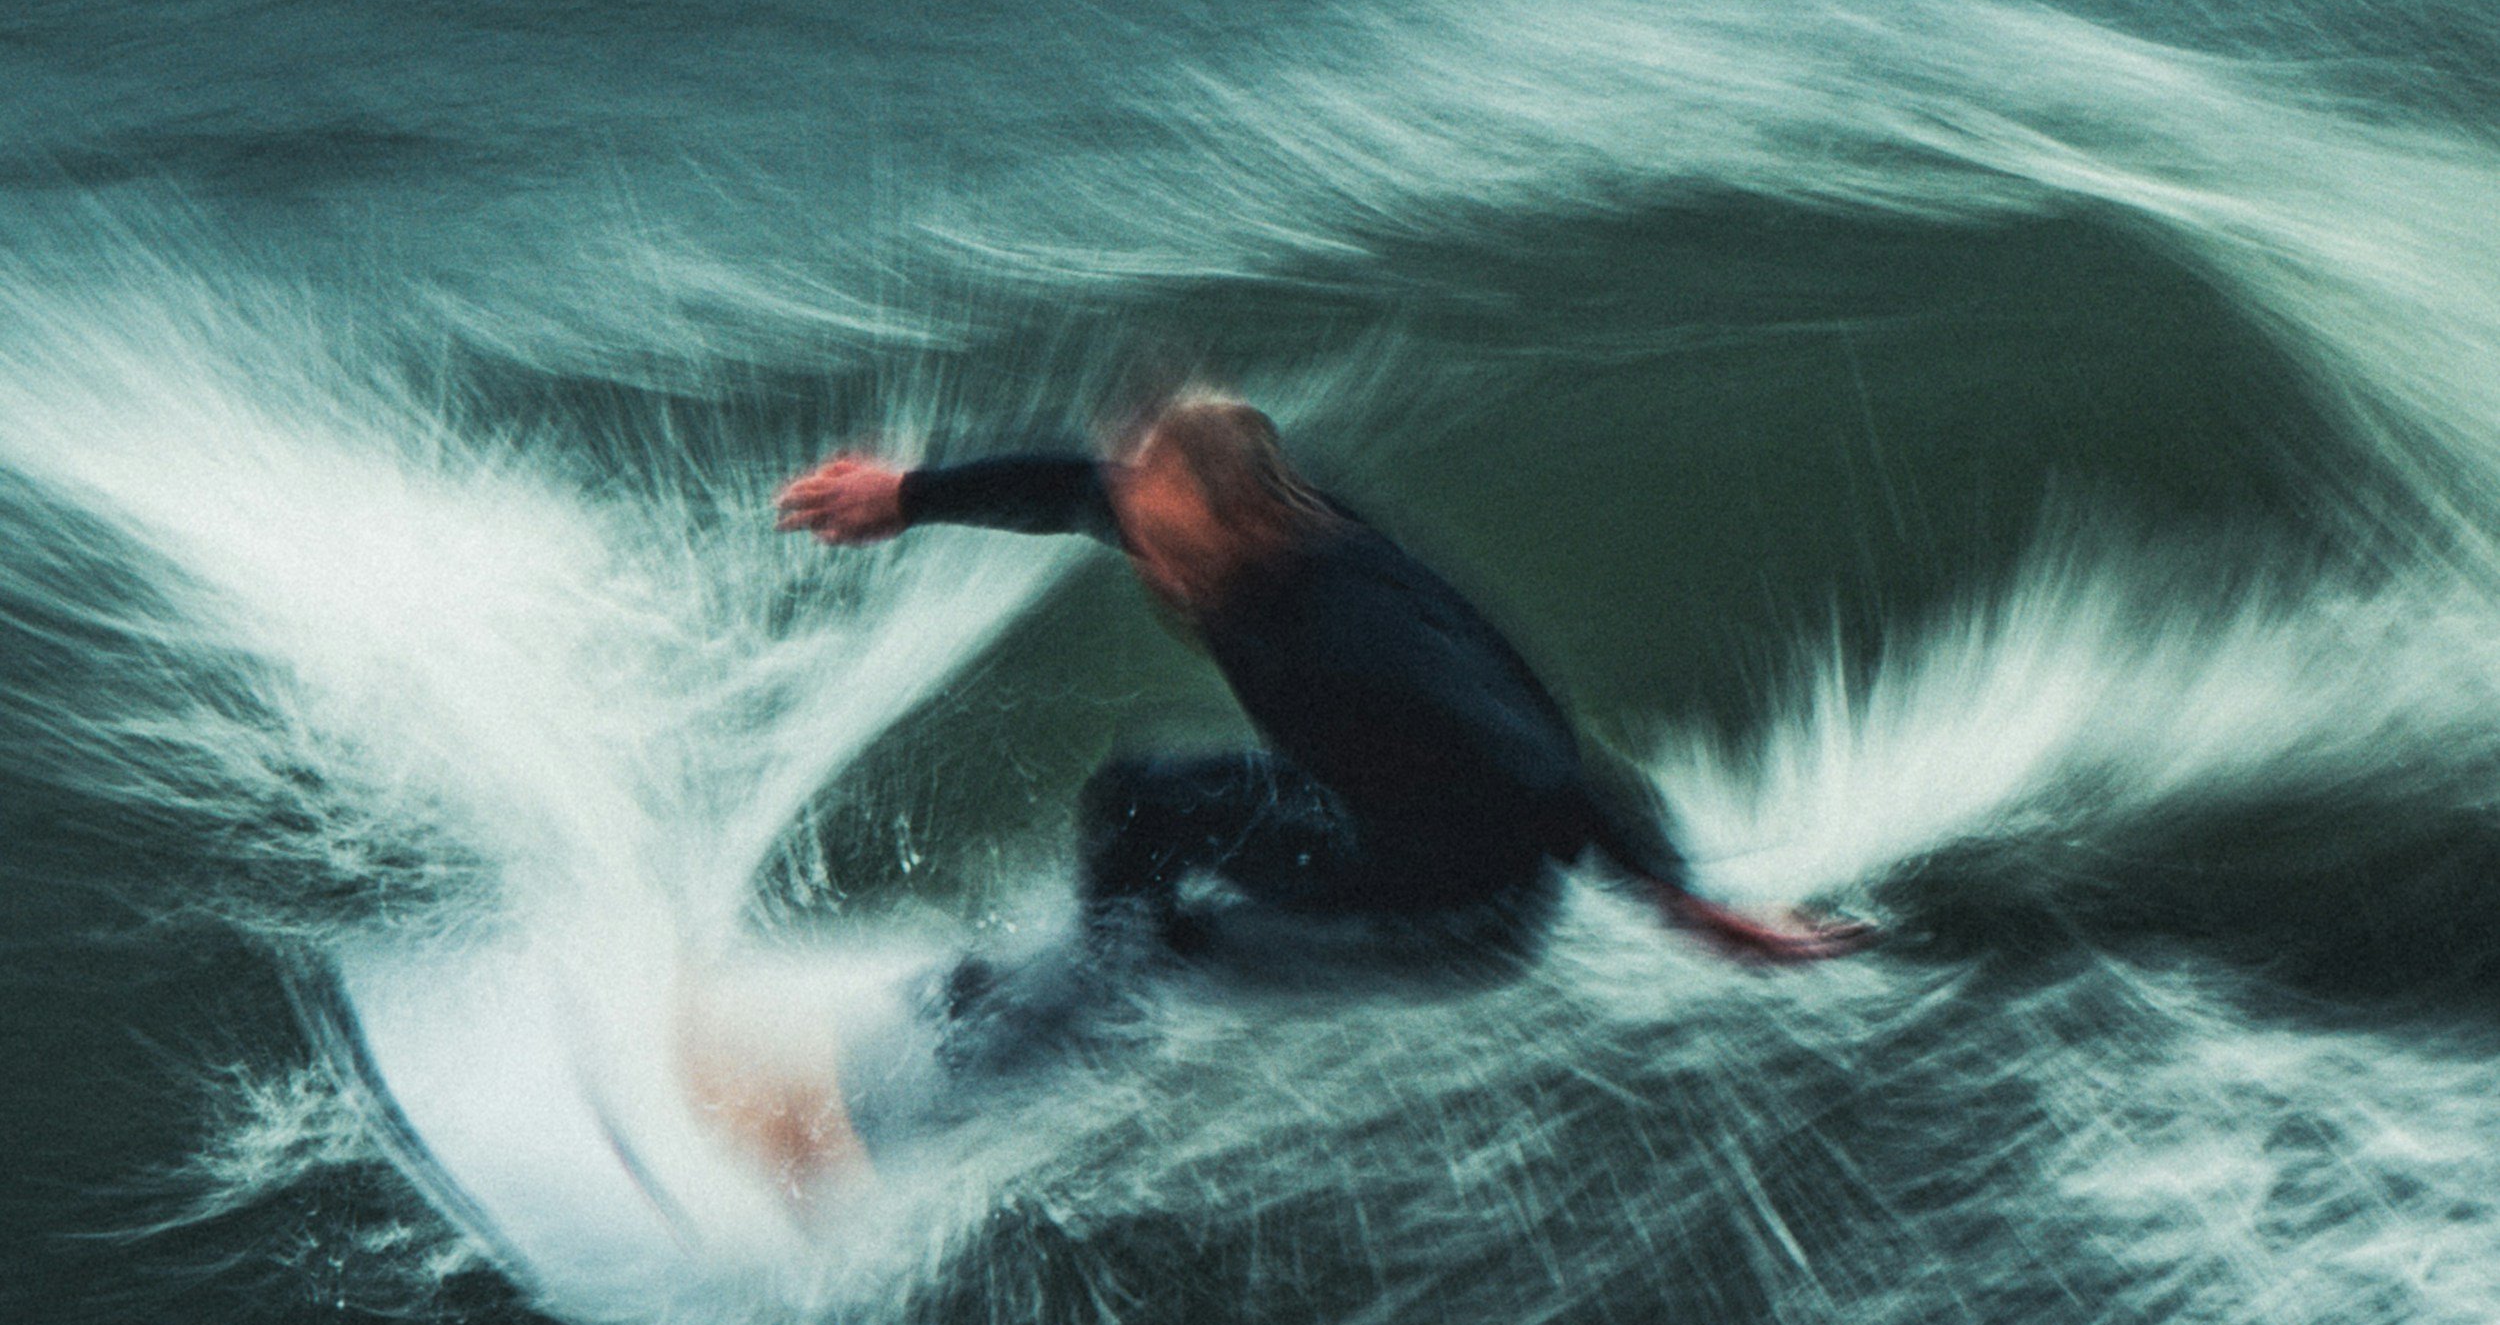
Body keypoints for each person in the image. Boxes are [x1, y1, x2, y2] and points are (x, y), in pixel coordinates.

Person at [776, 396, 1866, 965]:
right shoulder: (1224, 525)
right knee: (1140, 805)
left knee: (1169, 901)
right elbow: (1072, 485)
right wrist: (907, 493)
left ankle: (1058, 1025)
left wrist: (1687, 906)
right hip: (1361, 810)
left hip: (1456, 897)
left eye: (1162, 541)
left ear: (1245, 525)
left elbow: (1545, 764)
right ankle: (1077, 986)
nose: (1141, 556)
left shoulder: (1355, 625)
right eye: (1141, 531)